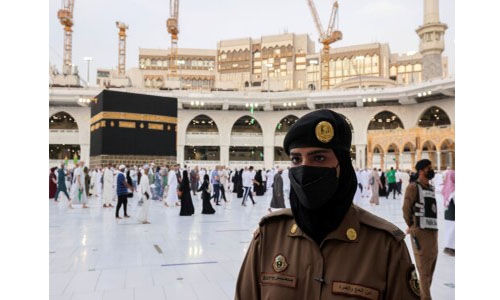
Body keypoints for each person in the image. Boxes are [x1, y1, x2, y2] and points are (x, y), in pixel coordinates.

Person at [236, 109, 420, 299]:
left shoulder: (383, 246)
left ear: (343, 166)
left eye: (319, 158)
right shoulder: (269, 237)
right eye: (296, 159)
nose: (305, 168)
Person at [403, 159, 438, 300]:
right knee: (423, 270)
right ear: (421, 171)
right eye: (429, 168)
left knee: (430, 269)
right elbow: (406, 209)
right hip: (420, 232)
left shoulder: (430, 188)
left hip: (433, 232)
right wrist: (412, 226)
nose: (431, 170)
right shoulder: (412, 187)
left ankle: (423, 296)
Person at [441, 169, 455, 256]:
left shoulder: (447, 187)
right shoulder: (454, 190)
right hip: (453, 215)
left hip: (448, 214)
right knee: (452, 232)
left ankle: (449, 247)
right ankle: (449, 248)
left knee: (450, 231)